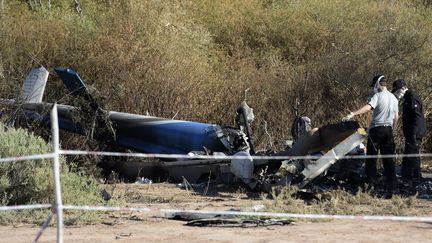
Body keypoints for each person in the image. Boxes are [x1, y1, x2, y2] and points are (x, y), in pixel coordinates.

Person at [343, 75, 399, 198]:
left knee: (371, 159)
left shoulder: (377, 96)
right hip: (388, 130)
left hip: (376, 130)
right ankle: (392, 186)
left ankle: (371, 186)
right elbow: (396, 117)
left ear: (378, 84)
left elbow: (368, 107)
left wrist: (353, 113)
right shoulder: (394, 98)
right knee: (388, 160)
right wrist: (391, 130)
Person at [392, 79, 427, 193]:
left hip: (415, 133)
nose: (397, 93)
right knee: (411, 155)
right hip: (411, 133)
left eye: (397, 91)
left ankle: (415, 179)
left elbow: (417, 117)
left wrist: (412, 133)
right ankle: (413, 177)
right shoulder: (407, 98)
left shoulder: (412, 97)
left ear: (402, 88)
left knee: (413, 156)